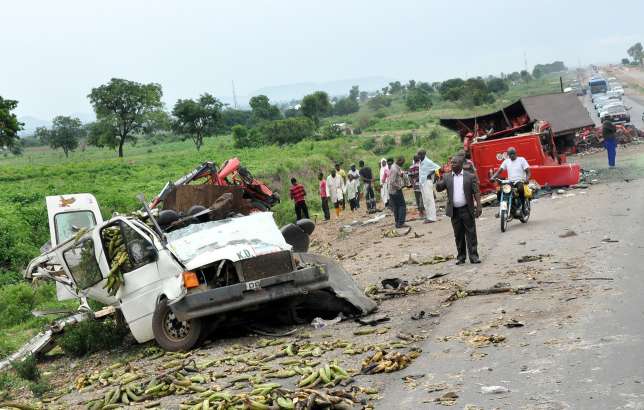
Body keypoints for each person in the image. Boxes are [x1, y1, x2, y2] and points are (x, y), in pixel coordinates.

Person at [436, 156, 482, 265]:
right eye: (451, 163)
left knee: (471, 234)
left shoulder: (470, 177)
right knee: (458, 235)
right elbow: (439, 188)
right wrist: (438, 179)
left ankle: (474, 256)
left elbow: (476, 192)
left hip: (467, 209)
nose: (452, 165)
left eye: (455, 163)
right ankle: (461, 257)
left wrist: (479, 206)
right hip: (454, 211)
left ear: (461, 164)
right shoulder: (447, 177)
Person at [490, 147, 530, 211]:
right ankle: (503, 209)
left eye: (513, 153)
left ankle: (523, 206)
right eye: (510, 154)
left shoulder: (521, 160)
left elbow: (528, 172)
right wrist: (493, 177)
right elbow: (499, 171)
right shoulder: (506, 161)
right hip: (510, 182)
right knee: (500, 191)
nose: (512, 155)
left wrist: (527, 179)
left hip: (519, 180)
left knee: (520, 188)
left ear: (516, 153)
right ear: (508, 155)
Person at [417, 149, 440, 223]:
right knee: (425, 200)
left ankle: (432, 218)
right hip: (423, 183)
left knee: (429, 200)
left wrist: (434, 175)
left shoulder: (428, 161)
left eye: (420, 154)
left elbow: (437, 167)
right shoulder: (421, 162)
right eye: (418, 154)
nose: (418, 156)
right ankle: (428, 216)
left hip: (427, 182)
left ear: (424, 154)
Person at [388, 156, 408, 228]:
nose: (402, 164)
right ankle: (401, 223)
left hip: (392, 191)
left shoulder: (395, 167)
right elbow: (392, 181)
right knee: (402, 206)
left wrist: (402, 175)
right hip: (395, 190)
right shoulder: (394, 169)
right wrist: (399, 187)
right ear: (399, 161)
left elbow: (399, 174)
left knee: (396, 207)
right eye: (402, 163)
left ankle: (397, 223)